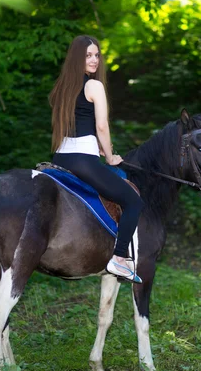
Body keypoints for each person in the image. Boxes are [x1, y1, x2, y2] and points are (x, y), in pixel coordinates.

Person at [49, 35, 144, 284]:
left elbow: (77, 125)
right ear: (77, 58)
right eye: (88, 55)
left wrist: (97, 148)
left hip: (61, 158)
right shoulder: (94, 86)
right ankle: (120, 258)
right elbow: (101, 126)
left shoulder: (61, 88)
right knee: (133, 201)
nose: (93, 60)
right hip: (83, 161)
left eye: (96, 55)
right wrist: (110, 156)